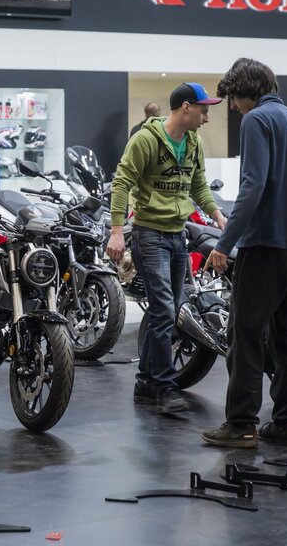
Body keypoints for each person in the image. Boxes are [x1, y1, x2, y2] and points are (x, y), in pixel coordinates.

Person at [201, 58, 287, 449]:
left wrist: (224, 244)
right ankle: (285, 424)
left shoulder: (257, 120)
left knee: (245, 334)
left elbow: (252, 187)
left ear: (245, 90)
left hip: (264, 244)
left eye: (234, 99)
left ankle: (241, 425)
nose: (234, 107)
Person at [107, 83, 226, 413]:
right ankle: (164, 387)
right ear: (186, 107)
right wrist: (116, 231)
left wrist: (218, 216)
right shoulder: (145, 140)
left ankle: (146, 383)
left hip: (177, 235)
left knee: (169, 311)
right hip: (149, 235)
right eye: (203, 110)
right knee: (162, 310)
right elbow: (122, 182)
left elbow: (198, 185)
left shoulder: (193, 142)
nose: (206, 117)